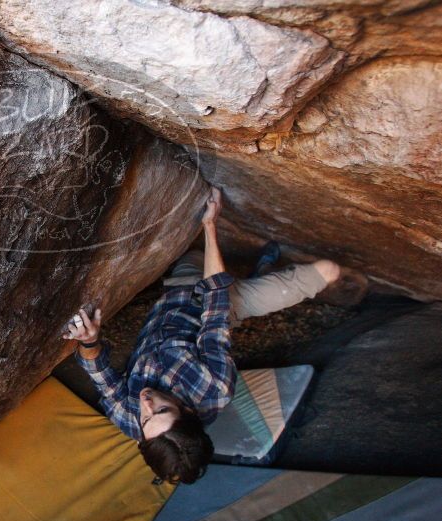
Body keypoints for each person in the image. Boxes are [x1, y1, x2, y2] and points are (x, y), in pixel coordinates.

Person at [63, 187, 340, 484]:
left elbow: (102, 380)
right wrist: (210, 225)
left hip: (179, 288)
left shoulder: (132, 422)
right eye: (161, 409)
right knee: (329, 271)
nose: (145, 403)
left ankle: (259, 269)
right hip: (223, 304)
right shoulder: (214, 388)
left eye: (146, 418)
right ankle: (261, 271)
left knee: (195, 253)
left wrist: (89, 341)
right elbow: (215, 308)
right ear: (186, 410)